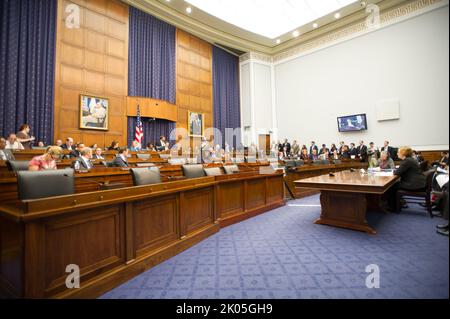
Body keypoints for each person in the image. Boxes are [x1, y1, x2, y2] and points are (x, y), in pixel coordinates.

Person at [386, 147, 427, 212]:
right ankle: (399, 203)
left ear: (403, 153)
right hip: (419, 183)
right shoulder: (410, 159)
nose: (397, 153)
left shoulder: (407, 161)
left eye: (398, 152)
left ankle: (393, 207)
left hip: (414, 184)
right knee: (394, 184)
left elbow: (397, 173)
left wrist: (396, 171)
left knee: (390, 187)